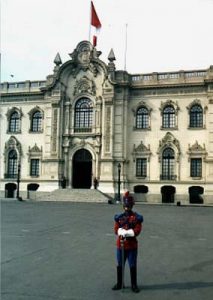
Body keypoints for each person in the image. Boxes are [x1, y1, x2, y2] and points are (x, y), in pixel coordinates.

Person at [112, 191, 143, 293]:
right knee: (120, 265)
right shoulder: (119, 217)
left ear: (131, 206)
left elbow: (137, 230)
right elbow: (116, 229)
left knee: (132, 265)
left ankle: (134, 284)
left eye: (128, 206)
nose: (127, 208)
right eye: (125, 206)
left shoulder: (136, 218)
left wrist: (127, 233)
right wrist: (121, 231)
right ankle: (119, 283)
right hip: (120, 246)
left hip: (132, 246)